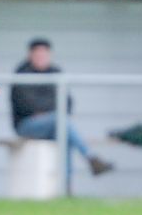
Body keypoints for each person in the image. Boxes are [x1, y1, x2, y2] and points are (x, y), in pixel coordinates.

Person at [10, 38, 113, 177]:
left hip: (54, 123)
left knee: (65, 134)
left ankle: (65, 188)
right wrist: (51, 111)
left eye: (44, 54)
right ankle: (91, 158)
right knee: (61, 121)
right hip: (26, 125)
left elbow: (68, 103)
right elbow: (26, 104)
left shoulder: (56, 72)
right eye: (37, 54)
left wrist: (46, 112)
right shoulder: (22, 74)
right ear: (30, 55)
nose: (41, 57)